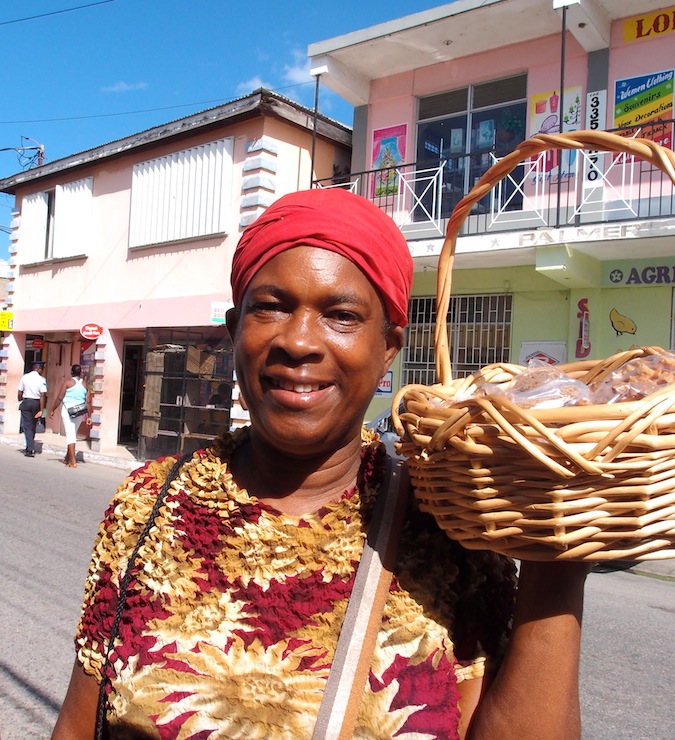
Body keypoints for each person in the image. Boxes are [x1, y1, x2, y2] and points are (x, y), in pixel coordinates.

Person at [52, 189, 589, 739]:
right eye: (271, 307)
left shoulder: (445, 526)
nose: (299, 341)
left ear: (389, 348)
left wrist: (558, 564)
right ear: (234, 331)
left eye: (341, 315)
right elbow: (77, 725)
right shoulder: (149, 507)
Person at [48, 364, 93, 468]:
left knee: (70, 434)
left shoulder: (67, 383)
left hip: (68, 410)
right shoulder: (85, 385)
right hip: (80, 411)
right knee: (73, 432)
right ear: (80, 373)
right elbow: (89, 402)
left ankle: (73, 461)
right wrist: (89, 416)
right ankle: (67, 458)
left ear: (71, 372)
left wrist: (53, 409)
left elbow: (59, 398)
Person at [17, 360, 47, 458]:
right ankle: (29, 446)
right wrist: (42, 410)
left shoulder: (24, 377)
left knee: (27, 426)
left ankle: (30, 449)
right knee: (32, 425)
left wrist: (21, 400)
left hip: (26, 402)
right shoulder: (42, 380)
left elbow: (20, 392)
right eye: (42, 369)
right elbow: (43, 395)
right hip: (36, 403)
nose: (42, 371)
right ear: (38, 368)